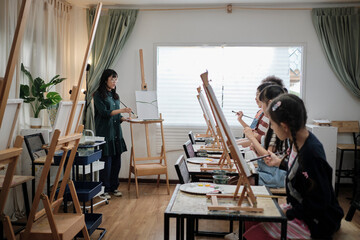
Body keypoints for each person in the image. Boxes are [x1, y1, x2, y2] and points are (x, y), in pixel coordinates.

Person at [243, 94, 344, 240]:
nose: (271, 127)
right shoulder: (298, 140)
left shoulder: (311, 154)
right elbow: (300, 172)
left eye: (272, 123)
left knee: (254, 235)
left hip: (315, 222)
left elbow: (319, 202)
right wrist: (280, 163)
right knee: (249, 216)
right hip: (300, 210)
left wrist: (284, 213)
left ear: (284, 126)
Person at [93, 69, 132, 199]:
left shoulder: (115, 96)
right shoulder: (98, 95)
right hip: (105, 133)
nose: (115, 81)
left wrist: (124, 118)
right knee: (106, 163)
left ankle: (113, 187)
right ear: (105, 80)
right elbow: (105, 113)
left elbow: (117, 115)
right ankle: (104, 189)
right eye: (112, 79)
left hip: (116, 134)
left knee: (116, 163)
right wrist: (122, 110)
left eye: (116, 79)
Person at [244, 84, 288, 188]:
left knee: (243, 180)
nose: (261, 108)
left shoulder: (277, 125)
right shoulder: (273, 122)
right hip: (269, 172)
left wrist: (252, 138)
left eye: (261, 103)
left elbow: (268, 157)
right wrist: (255, 148)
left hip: (276, 175)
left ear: (269, 103)